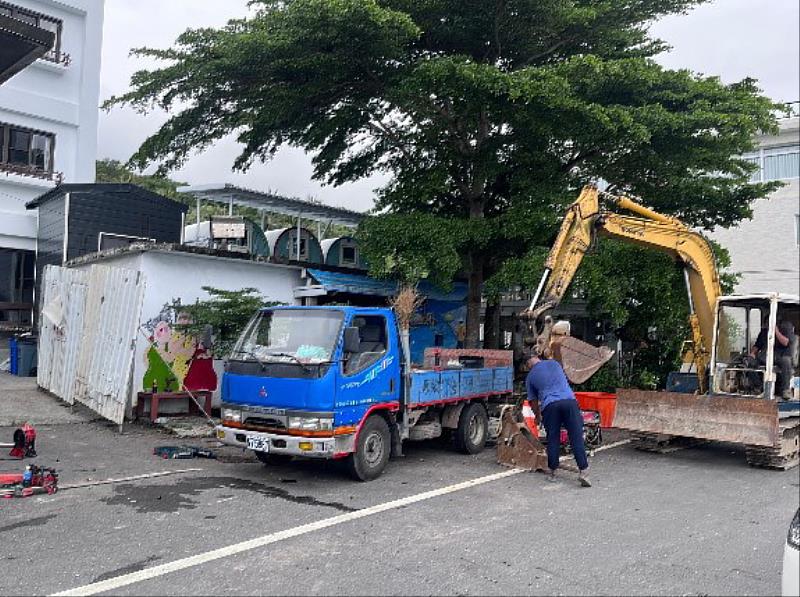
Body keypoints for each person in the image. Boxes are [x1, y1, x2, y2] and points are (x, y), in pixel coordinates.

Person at [525, 352, 591, 487]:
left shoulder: (530, 376)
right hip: (569, 401)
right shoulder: (555, 364)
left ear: (528, 364)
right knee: (576, 437)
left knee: (553, 438)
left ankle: (552, 472)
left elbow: (532, 401)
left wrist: (538, 416)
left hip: (550, 405)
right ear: (538, 358)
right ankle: (584, 472)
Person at [750, 315, 796, 399]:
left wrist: (776, 331)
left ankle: (785, 390)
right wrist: (752, 353)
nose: (767, 325)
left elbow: (786, 342)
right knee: (749, 362)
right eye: (766, 323)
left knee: (786, 362)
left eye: (769, 323)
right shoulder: (764, 332)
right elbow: (757, 345)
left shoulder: (786, 328)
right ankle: (758, 387)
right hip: (765, 356)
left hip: (781, 355)